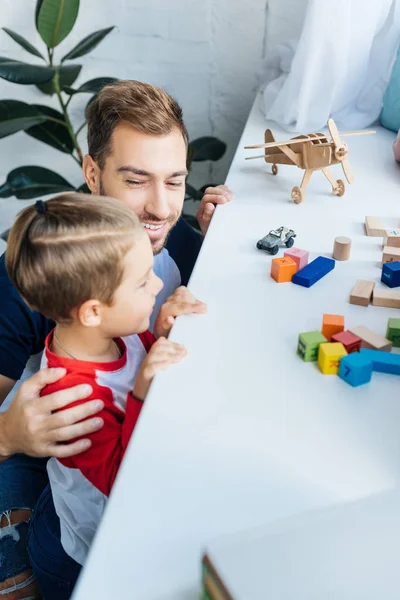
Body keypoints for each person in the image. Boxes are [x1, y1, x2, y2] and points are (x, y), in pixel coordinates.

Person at [0, 80, 232, 599]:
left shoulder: (181, 244)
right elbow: (115, 473)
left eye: (175, 181)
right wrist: (7, 434)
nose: (159, 207)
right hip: (83, 521)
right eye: (136, 180)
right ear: (91, 172)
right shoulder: (34, 284)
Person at [5, 193, 189, 597]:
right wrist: (142, 392)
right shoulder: (70, 399)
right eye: (143, 281)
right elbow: (123, 479)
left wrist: (159, 333)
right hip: (83, 555)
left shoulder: (110, 334)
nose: (157, 283)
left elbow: (137, 358)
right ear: (91, 311)